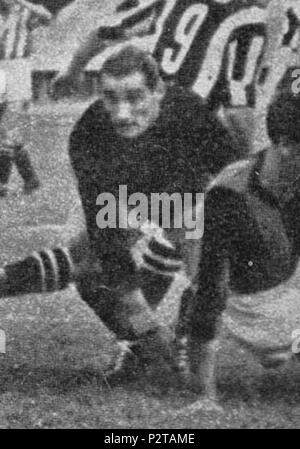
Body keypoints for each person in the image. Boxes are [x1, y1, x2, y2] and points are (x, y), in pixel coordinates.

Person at [0, 45, 241, 381]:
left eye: (134, 96)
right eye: (110, 97)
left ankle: (183, 344)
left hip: (183, 193)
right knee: (87, 264)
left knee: (206, 263)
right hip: (128, 197)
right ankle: (143, 346)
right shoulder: (89, 133)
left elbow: (233, 173)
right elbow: (106, 239)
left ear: (159, 91)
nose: (122, 112)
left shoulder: (188, 112)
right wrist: (143, 321)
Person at [182, 91, 300, 411]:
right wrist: (205, 396)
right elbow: (210, 290)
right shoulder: (231, 194)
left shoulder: (290, 177)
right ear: (287, 145)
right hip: (251, 307)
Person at [0, 0, 52, 196]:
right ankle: (31, 179)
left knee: (7, 128)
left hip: (17, 70)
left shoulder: (24, 12)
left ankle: (2, 184)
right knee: (6, 132)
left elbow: (47, 17)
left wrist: (22, 2)